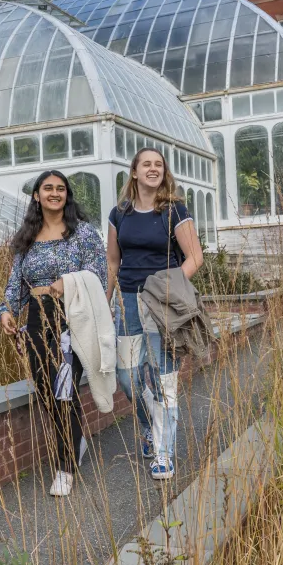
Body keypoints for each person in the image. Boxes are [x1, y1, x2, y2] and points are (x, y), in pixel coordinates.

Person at [0, 170, 107, 497]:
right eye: (48, 188)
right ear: (37, 196)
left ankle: (65, 465)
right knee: (47, 389)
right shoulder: (27, 237)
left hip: (71, 317)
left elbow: (98, 277)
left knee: (65, 388)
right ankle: (75, 439)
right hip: (35, 318)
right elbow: (16, 282)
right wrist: (4, 311)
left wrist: (69, 283)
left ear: (67, 195)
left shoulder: (84, 234)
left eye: (61, 189)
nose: (55, 193)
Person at [107, 147, 204, 481]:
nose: (153, 168)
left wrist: (166, 289)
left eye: (158, 164)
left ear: (164, 172)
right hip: (128, 304)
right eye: (145, 164)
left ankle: (163, 452)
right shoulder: (119, 214)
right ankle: (149, 427)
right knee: (128, 377)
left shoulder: (174, 211)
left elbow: (194, 257)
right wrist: (108, 303)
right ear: (133, 172)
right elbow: (112, 262)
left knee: (164, 377)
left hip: (162, 305)